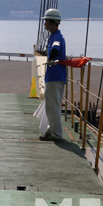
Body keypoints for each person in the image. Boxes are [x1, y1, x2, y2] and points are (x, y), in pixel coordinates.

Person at [40, 8, 66, 142]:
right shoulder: (55, 36)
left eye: (46, 21)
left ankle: (56, 134)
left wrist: (50, 56)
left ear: (51, 22)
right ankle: (52, 131)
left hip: (55, 76)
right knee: (51, 106)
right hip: (56, 76)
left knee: (53, 106)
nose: (45, 24)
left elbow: (55, 49)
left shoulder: (56, 37)